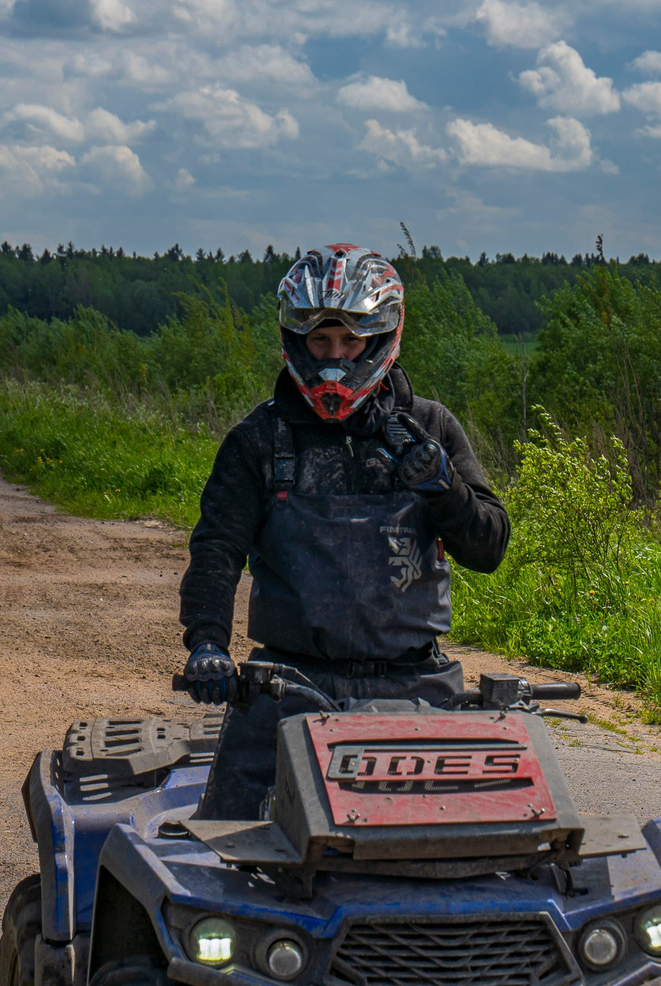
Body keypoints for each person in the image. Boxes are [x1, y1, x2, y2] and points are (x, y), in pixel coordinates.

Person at [179, 244, 511, 820]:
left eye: (350, 342)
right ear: (295, 341)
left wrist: (444, 489)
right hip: (285, 687)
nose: (334, 359)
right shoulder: (258, 439)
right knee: (222, 850)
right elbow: (218, 548)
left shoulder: (430, 426)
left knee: (471, 845)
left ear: (381, 338)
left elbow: (489, 547)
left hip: (418, 688)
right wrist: (207, 642)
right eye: (320, 342)